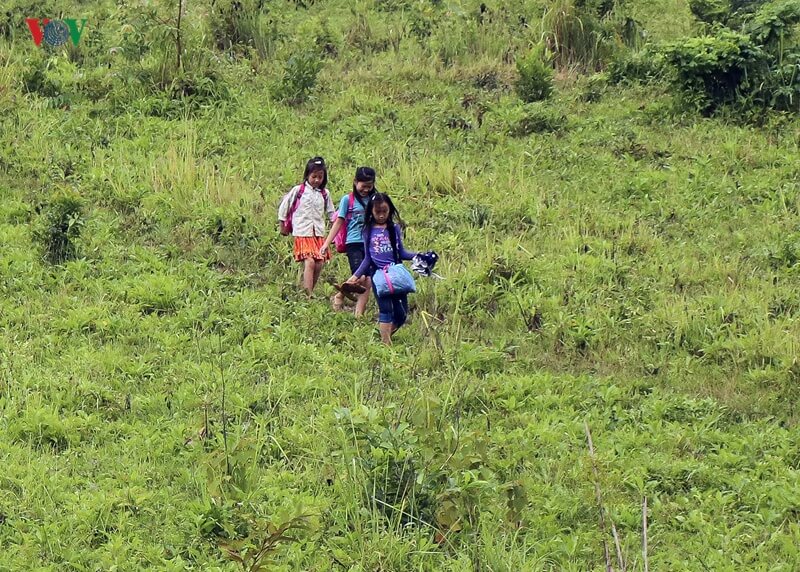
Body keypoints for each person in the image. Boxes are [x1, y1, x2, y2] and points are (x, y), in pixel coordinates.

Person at [345, 193, 417, 345]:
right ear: (371, 211)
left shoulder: (394, 229)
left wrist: (419, 256)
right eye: (378, 212)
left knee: (402, 313)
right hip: (379, 277)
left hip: (396, 276)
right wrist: (355, 276)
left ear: (390, 210)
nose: (382, 215)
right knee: (385, 310)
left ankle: (385, 337)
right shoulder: (367, 231)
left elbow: (401, 253)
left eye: (385, 211)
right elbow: (367, 259)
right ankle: (386, 344)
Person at [320, 166, 377, 316]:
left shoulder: (375, 199)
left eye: (369, 187)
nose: (366, 190)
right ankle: (340, 296)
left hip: (371, 244)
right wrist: (326, 243)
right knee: (362, 277)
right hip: (354, 243)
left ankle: (358, 314)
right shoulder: (348, 200)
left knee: (369, 281)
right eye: (363, 186)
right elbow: (338, 222)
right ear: (355, 182)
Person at [277, 156, 335, 296]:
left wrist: (337, 229)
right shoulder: (299, 190)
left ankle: (309, 291)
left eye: (320, 177)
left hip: (318, 233)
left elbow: (331, 213)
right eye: (314, 176)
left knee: (319, 263)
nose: (316, 180)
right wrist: (282, 226)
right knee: (309, 262)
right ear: (307, 175)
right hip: (303, 232)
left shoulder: (325, 194)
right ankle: (307, 295)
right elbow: (284, 207)